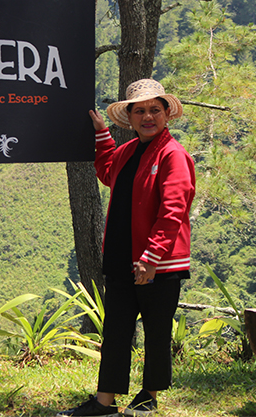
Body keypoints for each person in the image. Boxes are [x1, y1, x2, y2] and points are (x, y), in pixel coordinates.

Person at [58, 78, 195, 417]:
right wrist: (102, 134)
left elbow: (173, 211)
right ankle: (104, 402)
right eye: (140, 111)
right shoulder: (130, 151)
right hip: (122, 257)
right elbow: (107, 170)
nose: (148, 117)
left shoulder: (173, 156)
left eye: (154, 110)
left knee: (156, 331)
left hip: (157, 263)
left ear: (166, 114)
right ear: (130, 118)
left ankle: (148, 397)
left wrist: (151, 257)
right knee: (117, 330)